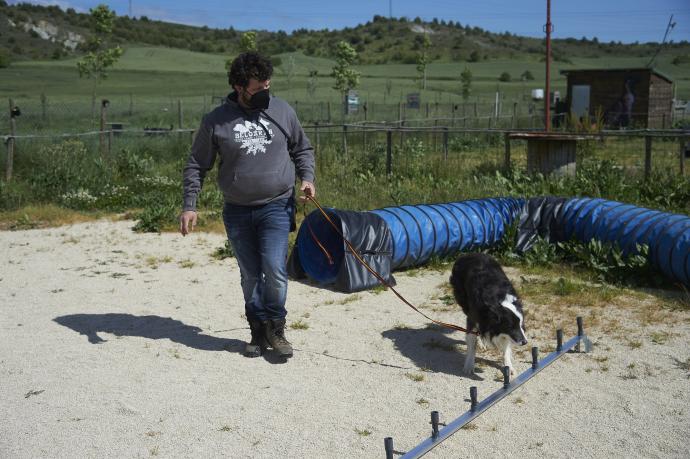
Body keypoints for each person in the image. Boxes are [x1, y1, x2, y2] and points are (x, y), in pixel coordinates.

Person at [179, 52, 316, 359]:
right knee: (250, 274)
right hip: (238, 210)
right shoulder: (216, 121)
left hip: (277, 206)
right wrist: (190, 205)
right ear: (239, 87)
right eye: (257, 89)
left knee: (275, 269)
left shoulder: (282, 111)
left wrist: (307, 178)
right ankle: (257, 329)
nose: (265, 94)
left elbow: (302, 148)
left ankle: (276, 328)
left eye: (268, 86)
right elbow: (196, 164)